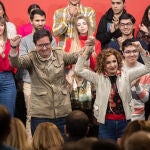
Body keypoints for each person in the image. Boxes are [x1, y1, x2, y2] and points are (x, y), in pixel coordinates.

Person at [9, 29, 93, 137]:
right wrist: (14, 47)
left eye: (47, 44)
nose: (44, 48)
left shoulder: (59, 54)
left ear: (51, 42)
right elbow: (15, 63)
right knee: (41, 145)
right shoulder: (31, 58)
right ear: (35, 45)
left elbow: (77, 56)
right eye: (40, 45)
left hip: (63, 112)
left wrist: (89, 47)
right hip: (40, 114)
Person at [75, 39, 150, 142]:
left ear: (118, 61)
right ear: (103, 65)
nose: (112, 65)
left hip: (125, 122)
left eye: (114, 61)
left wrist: (141, 50)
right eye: (108, 63)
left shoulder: (126, 75)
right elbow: (78, 69)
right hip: (105, 123)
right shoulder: (97, 77)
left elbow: (148, 68)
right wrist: (88, 49)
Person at [18, 8, 57, 141]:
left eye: (42, 20)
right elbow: (22, 62)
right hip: (30, 82)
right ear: (31, 21)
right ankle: (30, 144)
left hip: (49, 82)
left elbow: (54, 59)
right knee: (31, 115)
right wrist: (37, 51)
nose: (40, 23)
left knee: (51, 114)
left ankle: (49, 143)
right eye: (37, 20)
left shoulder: (51, 39)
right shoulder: (24, 41)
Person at [121, 39, 149, 120]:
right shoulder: (116, 68)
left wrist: (137, 86)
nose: (132, 54)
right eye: (128, 52)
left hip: (138, 116)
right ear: (123, 53)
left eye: (135, 51)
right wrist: (131, 84)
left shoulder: (145, 70)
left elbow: (145, 99)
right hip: (119, 115)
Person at [0, 16, 16, 117]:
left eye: (1, 25)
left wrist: (3, 55)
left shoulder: (10, 42)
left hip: (7, 80)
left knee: (8, 116)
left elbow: (12, 65)